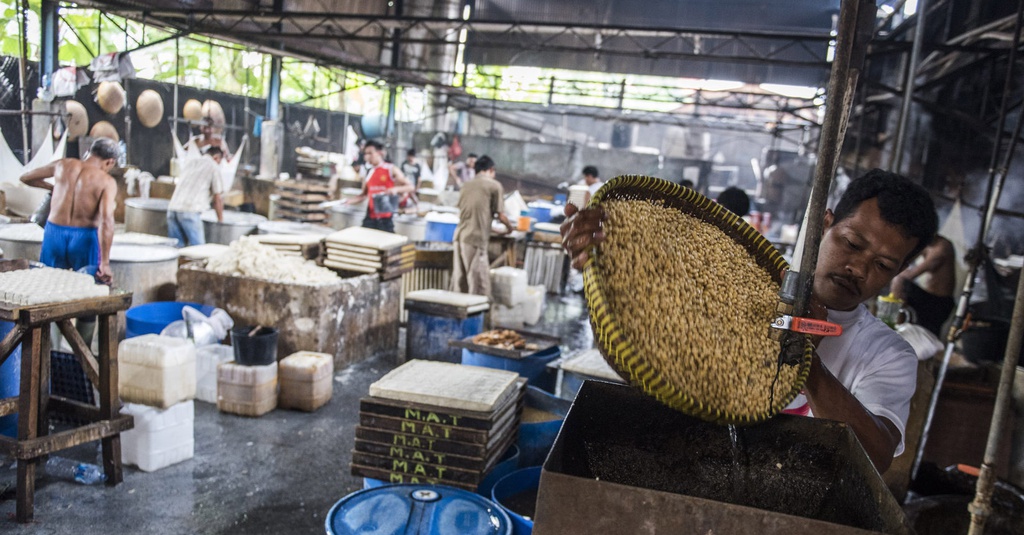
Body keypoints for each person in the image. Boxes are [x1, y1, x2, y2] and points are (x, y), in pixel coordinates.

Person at [560, 169, 938, 473]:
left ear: (901, 271)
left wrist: (805, 360)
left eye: (884, 265)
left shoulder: (887, 354)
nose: (858, 268)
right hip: (683, 466)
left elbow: (876, 458)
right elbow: (644, 361)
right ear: (824, 224)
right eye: (852, 244)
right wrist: (604, 264)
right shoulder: (732, 287)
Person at [20, 138, 119, 285]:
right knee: (85, 289)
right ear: (110, 162)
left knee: (48, 286)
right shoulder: (106, 181)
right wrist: (105, 263)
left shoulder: (62, 164)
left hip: (54, 233)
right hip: (84, 238)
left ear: (89, 152)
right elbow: (107, 222)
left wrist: (52, 188)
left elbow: (26, 177)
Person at [452, 155, 514, 296]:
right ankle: (479, 317)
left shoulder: (466, 185)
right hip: (475, 239)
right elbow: (501, 215)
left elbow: (471, 214)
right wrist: (509, 228)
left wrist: (492, 229)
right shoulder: (494, 186)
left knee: (461, 283)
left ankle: (461, 314)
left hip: (459, 237)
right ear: (491, 169)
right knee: (479, 285)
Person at [890, 235, 956, 337]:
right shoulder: (927, 244)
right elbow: (905, 261)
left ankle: (896, 327)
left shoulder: (942, 248)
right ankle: (896, 325)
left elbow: (911, 275)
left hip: (938, 303)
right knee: (896, 277)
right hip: (928, 299)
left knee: (899, 280)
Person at [345, 140, 414, 233]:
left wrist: (395, 189)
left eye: (370, 153)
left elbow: (410, 187)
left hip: (385, 218)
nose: (367, 156)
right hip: (370, 217)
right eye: (366, 154)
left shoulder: (390, 169)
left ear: (380, 153)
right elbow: (363, 195)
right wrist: (349, 201)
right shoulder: (368, 172)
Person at [167, 146, 225, 247]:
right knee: (198, 250)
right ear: (216, 157)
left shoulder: (191, 163)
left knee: (177, 250)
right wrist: (220, 220)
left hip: (172, 209)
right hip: (190, 211)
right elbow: (218, 198)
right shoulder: (213, 166)